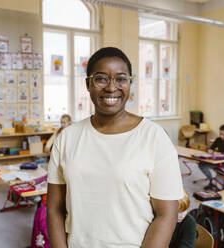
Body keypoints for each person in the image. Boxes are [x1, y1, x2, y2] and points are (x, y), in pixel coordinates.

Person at [47, 47, 184, 247]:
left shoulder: (154, 137)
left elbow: (166, 216)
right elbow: (54, 209)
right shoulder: (67, 138)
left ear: (130, 83)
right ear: (88, 84)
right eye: (101, 78)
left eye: (121, 79)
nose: (111, 87)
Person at [198, 124, 224, 190]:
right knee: (202, 165)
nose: (221, 136)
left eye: (223, 135)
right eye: (220, 134)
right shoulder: (218, 139)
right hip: (219, 161)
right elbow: (211, 147)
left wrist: (220, 153)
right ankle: (212, 182)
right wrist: (209, 150)